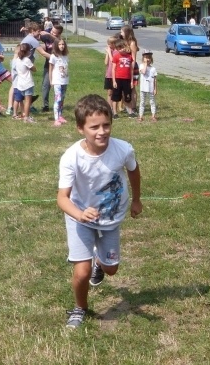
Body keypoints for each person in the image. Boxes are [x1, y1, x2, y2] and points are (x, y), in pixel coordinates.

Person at [57, 94, 142, 329]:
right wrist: (79, 214)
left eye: (106, 125)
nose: (101, 132)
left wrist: (136, 200)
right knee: (82, 272)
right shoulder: (71, 157)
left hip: (111, 218)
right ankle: (80, 307)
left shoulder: (123, 149)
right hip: (80, 217)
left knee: (111, 270)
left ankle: (100, 261)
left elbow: (134, 172)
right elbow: (62, 199)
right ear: (80, 128)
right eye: (94, 127)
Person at [40, 25, 63, 113]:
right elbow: (37, 35)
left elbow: (57, 41)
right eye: (51, 31)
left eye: (54, 32)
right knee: (46, 85)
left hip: (58, 66)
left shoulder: (60, 41)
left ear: (59, 34)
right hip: (48, 65)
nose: (51, 33)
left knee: (58, 86)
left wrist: (49, 35)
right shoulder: (47, 38)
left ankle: (59, 103)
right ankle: (45, 105)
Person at [12, 43, 37, 123]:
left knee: (22, 100)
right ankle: (26, 117)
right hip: (28, 83)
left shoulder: (17, 60)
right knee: (28, 101)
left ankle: (24, 115)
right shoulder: (26, 60)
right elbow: (34, 69)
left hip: (20, 83)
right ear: (28, 51)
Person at [110, 38, 134, 118]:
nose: (122, 49)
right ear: (117, 49)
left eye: (123, 47)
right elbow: (113, 69)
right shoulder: (116, 57)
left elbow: (131, 69)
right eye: (120, 48)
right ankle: (115, 112)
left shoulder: (129, 57)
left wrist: (131, 81)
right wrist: (114, 81)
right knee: (116, 96)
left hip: (127, 79)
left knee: (127, 96)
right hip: (118, 79)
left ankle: (130, 112)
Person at [120, 26, 140, 117]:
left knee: (132, 88)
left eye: (122, 32)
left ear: (127, 33)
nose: (120, 34)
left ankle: (134, 107)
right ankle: (128, 106)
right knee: (125, 88)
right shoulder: (124, 42)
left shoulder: (132, 43)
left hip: (132, 67)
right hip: (124, 66)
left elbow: (133, 59)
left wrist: (130, 70)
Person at [50, 38, 70, 127]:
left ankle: (60, 115)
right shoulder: (53, 56)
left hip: (64, 81)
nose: (62, 46)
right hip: (57, 81)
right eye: (60, 44)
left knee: (62, 99)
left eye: (63, 44)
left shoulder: (65, 56)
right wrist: (51, 81)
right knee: (57, 99)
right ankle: (56, 118)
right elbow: (50, 70)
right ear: (56, 46)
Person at [137, 50, 157, 122]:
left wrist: (155, 89)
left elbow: (155, 79)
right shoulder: (141, 66)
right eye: (146, 57)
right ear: (143, 58)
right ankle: (141, 116)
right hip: (143, 88)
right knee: (142, 102)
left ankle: (153, 115)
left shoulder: (153, 69)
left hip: (151, 88)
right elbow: (144, 72)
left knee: (152, 101)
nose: (147, 59)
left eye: (149, 58)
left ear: (151, 59)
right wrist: (145, 64)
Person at [104, 35, 119, 104]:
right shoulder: (109, 51)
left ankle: (114, 108)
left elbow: (113, 61)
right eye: (108, 44)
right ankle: (109, 107)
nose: (109, 45)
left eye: (110, 44)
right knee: (109, 92)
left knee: (115, 92)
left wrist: (110, 53)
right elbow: (106, 62)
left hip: (115, 75)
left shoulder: (116, 51)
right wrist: (107, 53)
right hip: (108, 74)